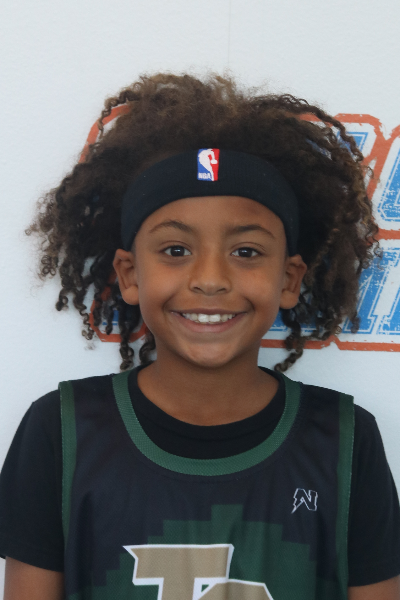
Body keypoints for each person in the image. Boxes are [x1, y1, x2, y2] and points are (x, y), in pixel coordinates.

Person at [1, 73, 399, 600]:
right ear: (129, 274)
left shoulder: (344, 441)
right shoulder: (61, 431)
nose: (210, 279)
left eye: (246, 252)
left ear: (289, 279)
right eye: (175, 250)